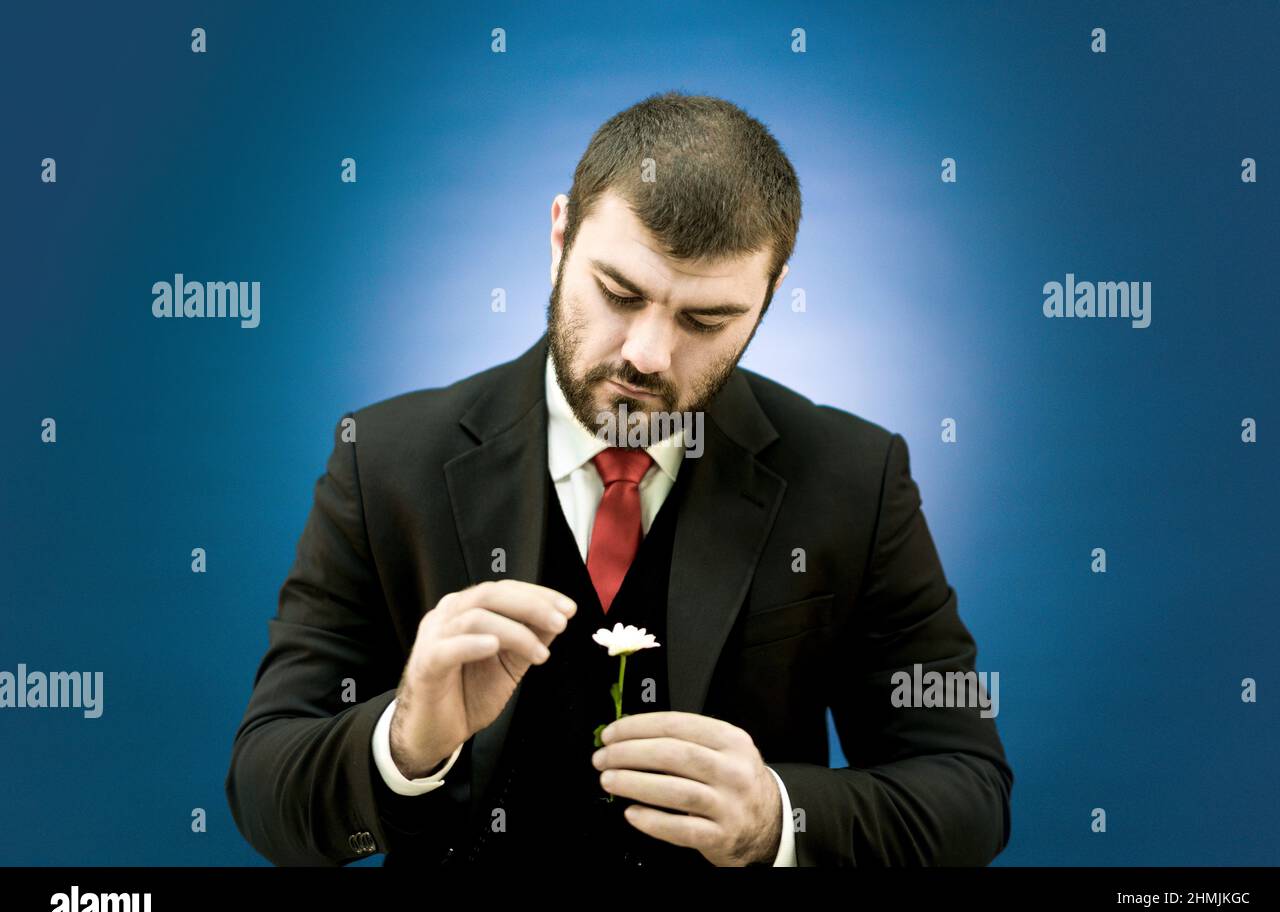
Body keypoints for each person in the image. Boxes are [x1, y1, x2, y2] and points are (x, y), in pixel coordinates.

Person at [225, 91, 1013, 867]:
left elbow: (969, 790)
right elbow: (265, 788)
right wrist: (403, 742)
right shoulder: (386, 457)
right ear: (560, 234)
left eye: (706, 321)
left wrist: (777, 817)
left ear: (769, 299)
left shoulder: (855, 477)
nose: (648, 354)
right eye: (619, 293)